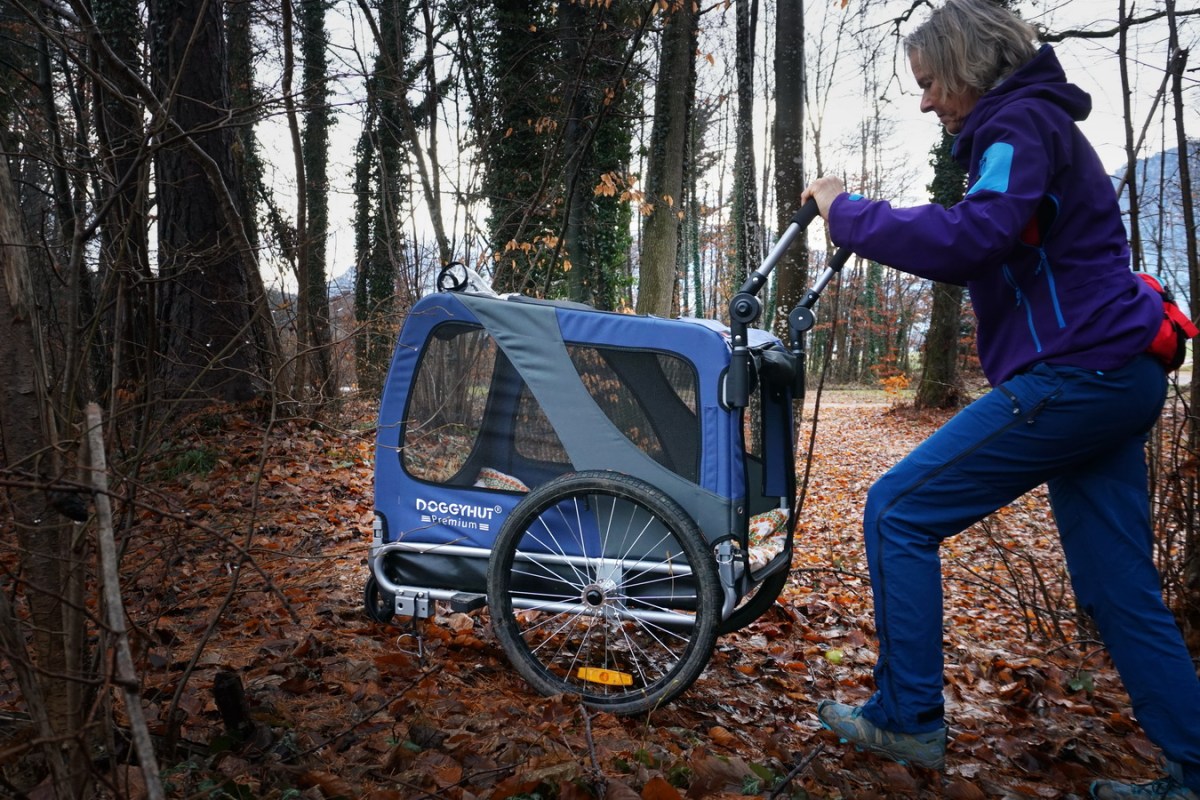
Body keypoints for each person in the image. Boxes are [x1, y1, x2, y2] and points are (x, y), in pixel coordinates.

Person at [798, 1, 1200, 798]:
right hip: (1118, 372)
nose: (924, 102)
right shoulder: (1028, 128)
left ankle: (907, 717)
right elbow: (990, 231)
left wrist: (846, 213)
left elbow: (971, 238)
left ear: (970, 65)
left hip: (1080, 373)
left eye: (929, 82)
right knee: (1118, 585)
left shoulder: (1019, 125)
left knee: (897, 510)